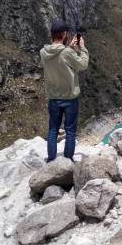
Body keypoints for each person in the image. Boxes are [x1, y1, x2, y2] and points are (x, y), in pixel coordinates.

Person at [40, 19, 89, 161]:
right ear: (64, 34)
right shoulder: (67, 53)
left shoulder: (43, 52)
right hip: (69, 99)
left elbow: (60, 60)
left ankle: (51, 159)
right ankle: (67, 162)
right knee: (70, 132)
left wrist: (71, 49)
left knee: (53, 130)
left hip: (53, 98)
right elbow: (82, 64)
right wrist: (82, 48)